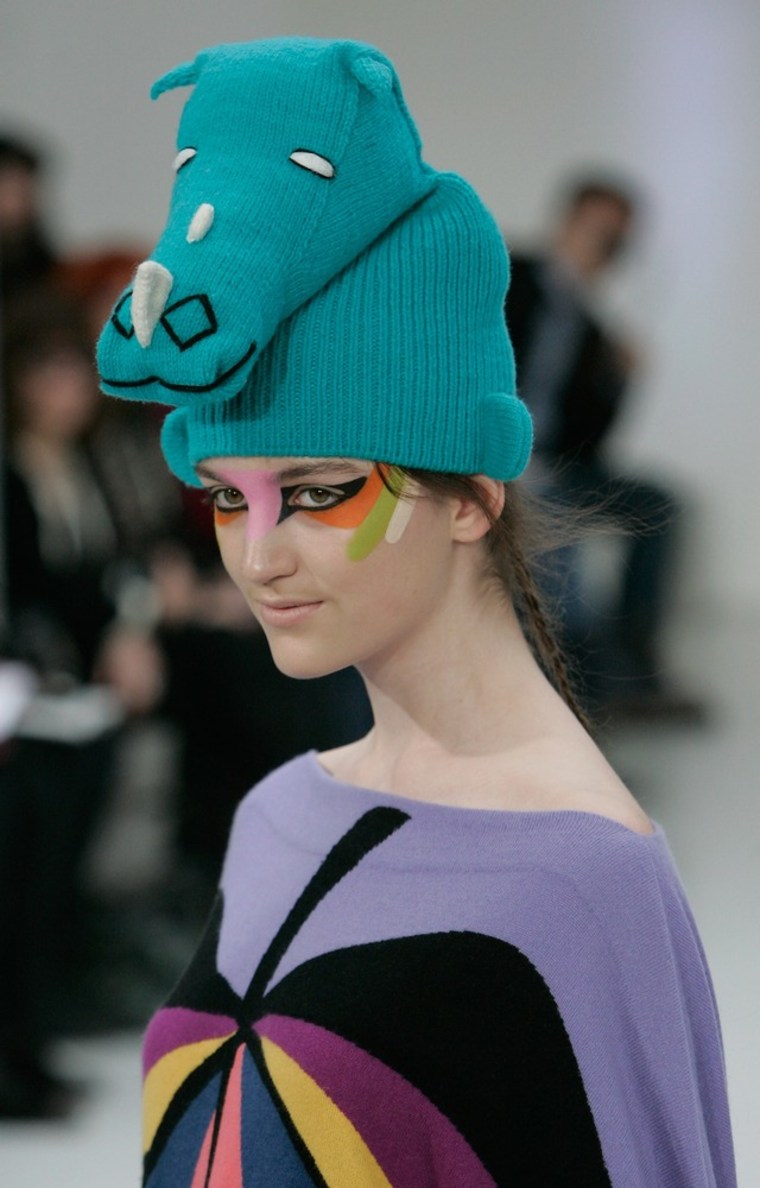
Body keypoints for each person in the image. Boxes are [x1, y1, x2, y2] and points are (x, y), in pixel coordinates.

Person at [97, 38, 735, 1186]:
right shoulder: (280, 809)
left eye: (315, 493)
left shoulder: (585, 882)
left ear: (470, 497)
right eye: (223, 499)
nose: (257, 554)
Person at [505, 176, 700, 719]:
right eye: (600, 232)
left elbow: (594, 443)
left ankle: (634, 671)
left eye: (618, 240)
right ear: (569, 222)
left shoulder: (594, 329)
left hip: (560, 467)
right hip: (499, 461)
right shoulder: (509, 276)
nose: (606, 248)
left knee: (658, 506)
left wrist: (617, 380)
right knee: (559, 542)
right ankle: (584, 698)